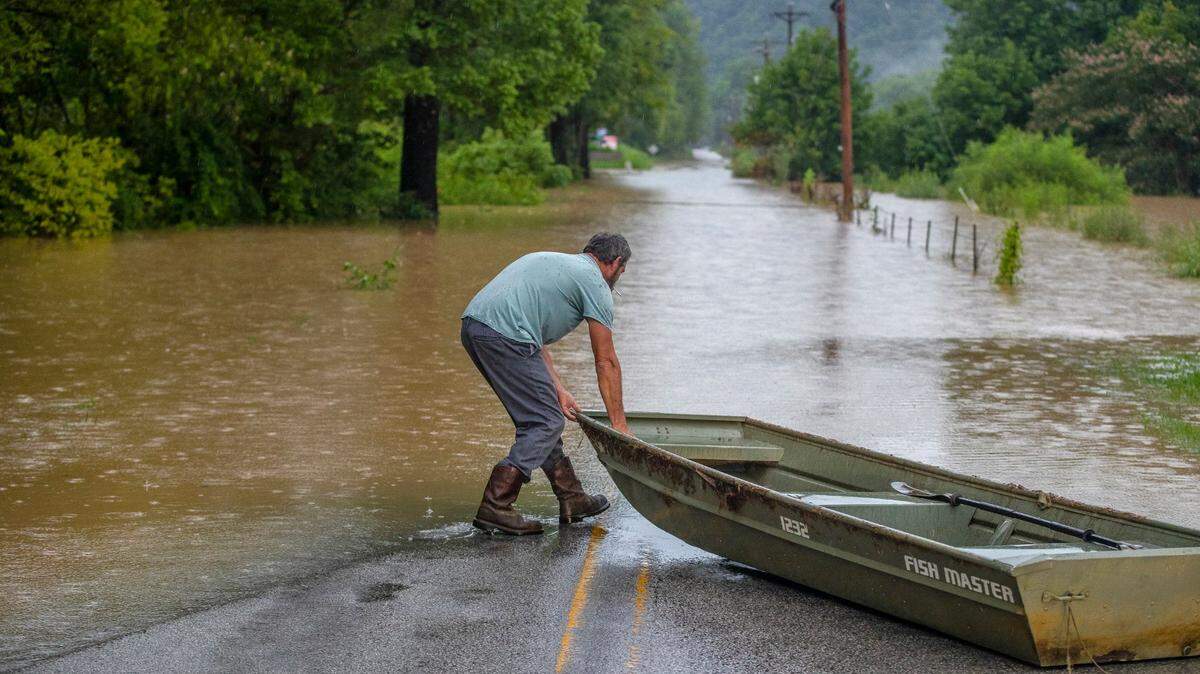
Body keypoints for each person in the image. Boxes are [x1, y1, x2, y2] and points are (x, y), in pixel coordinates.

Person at [460, 233, 631, 535]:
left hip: (476, 327)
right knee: (545, 421)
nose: (619, 276)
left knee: (544, 414)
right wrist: (620, 426)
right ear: (616, 263)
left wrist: (559, 390)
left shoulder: (555, 263)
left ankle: (572, 498)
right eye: (622, 270)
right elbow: (606, 361)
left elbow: (532, 338)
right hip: (503, 335)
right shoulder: (595, 283)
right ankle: (496, 505)